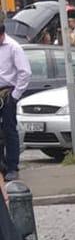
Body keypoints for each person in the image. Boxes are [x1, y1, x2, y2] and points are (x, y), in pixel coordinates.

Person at [0, 29, 32, 179]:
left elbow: (25, 72)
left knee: (9, 130)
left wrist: (15, 95)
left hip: (6, 93)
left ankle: (13, 167)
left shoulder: (13, 47)